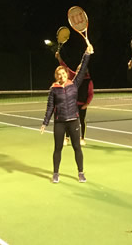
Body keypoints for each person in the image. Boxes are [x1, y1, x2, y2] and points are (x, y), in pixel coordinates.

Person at [40, 43, 93, 183]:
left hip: (73, 120)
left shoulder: (74, 84)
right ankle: (55, 173)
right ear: (56, 76)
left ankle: (81, 173)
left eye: (63, 73)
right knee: (57, 149)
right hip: (60, 122)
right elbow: (50, 107)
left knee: (77, 148)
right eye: (59, 74)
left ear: (67, 74)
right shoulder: (53, 89)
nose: (61, 75)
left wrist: (87, 54)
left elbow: (81, 71)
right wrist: (45, 123)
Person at [55, 51, 94, 146]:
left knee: (81, 121)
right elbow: (65, 67)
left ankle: (82, 138)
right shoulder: (73, 77)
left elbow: (90, 94)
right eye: (78, 69)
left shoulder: (88, 81)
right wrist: (59, 58)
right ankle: (67, 138)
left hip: (82, 105)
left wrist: (87, 104)